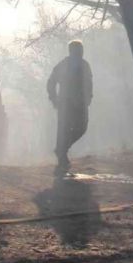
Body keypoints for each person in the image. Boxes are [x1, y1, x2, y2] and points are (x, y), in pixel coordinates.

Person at [47, 40, 93, 175]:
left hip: (81, 103)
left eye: (81, 50)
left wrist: (89, 97)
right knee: (63, 130)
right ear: (71, 51)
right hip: (65, 104)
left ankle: (61, 150)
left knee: (82, 128)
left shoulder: (85, 65)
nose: (80, 53)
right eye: (78, 50)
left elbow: (89, 83)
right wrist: (54, 98)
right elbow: (51, 82)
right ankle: (62, 159)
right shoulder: (63, 65)